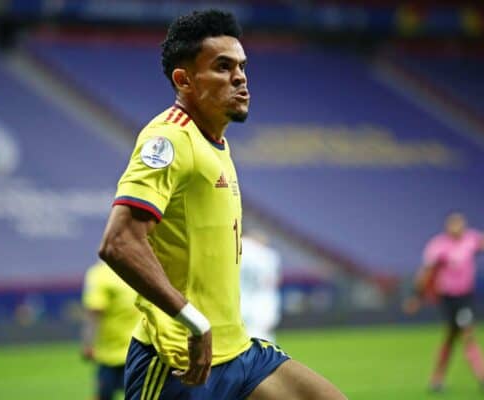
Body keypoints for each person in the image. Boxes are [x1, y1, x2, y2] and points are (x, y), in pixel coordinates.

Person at [98, 9, 346, 400]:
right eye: (223, 67)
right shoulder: (168, 139)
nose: (240, 77)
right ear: (185, 80)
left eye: (242, 67)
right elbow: (119, 242)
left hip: (237, 352)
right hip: (178, 362)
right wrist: (194, 322)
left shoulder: (216, 143)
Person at [403, 212, 484, 394]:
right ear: (447, 227)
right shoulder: (439, 246)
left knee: (467, 334)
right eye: (454, 225)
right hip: (448, 298)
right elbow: (426, 272)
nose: (457, 228)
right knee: (452, 338)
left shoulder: (470, 240)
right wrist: (416, 296)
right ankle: (437, 380)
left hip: (465, 297)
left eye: (460, 224)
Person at [81, 260, 141, 400]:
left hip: (111, 354)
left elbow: (94, 313)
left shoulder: (99, 274)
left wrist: (88, 344)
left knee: (103, 396)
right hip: (138, 349)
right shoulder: (140, 268)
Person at [240, 231, 282, 342]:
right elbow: (271, 280)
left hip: (239, 301)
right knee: (264, 342)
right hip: (262, 302)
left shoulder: (236, 251)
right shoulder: (268, 255)